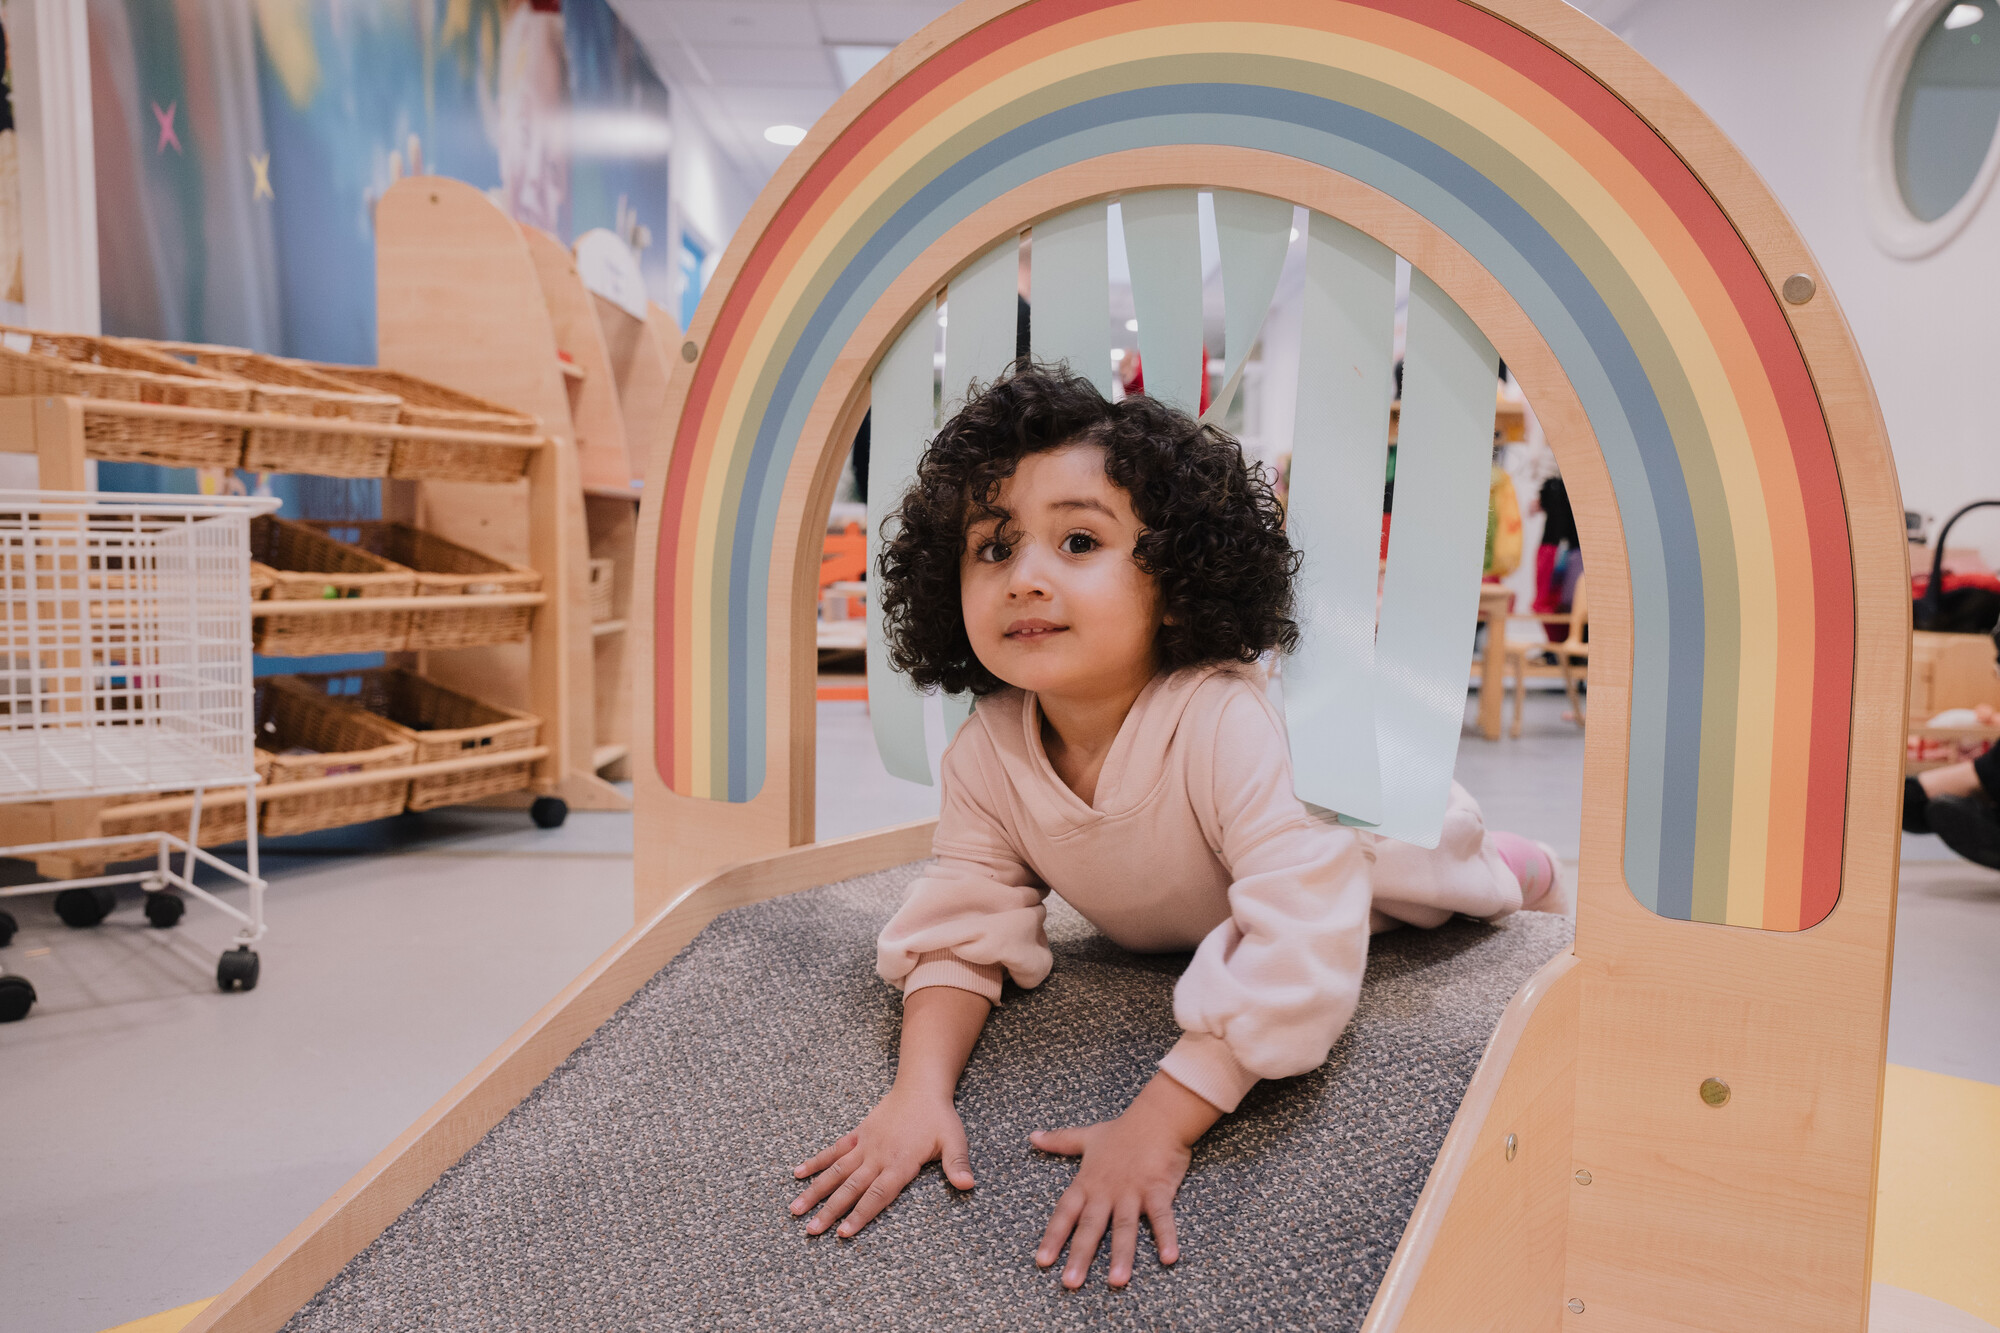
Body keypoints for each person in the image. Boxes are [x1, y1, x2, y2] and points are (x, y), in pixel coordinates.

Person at [787, 366, 1570, 1289]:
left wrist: (1159, 1120)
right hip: (1209, 902)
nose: (1026, 576)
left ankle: (1529, 867)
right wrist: (917, 1091)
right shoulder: (989, 750)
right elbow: (964, 921)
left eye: (1079, 540)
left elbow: (1303, 945)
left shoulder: (1232, 723)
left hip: (1374, 840)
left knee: (1458, 879)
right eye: (993, 548)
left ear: (1177, 574)